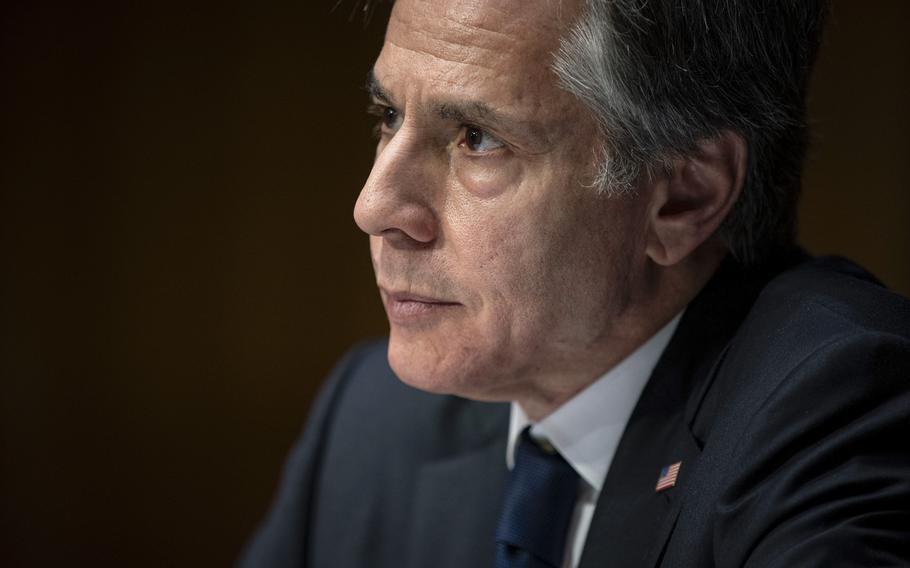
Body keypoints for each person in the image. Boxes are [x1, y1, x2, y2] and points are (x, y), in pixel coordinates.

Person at [241, 0, 910, 566]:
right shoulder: (373, 416)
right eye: (388, 116)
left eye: (476, 138)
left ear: (683, 198)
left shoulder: (842, 407)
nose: (374, 207)